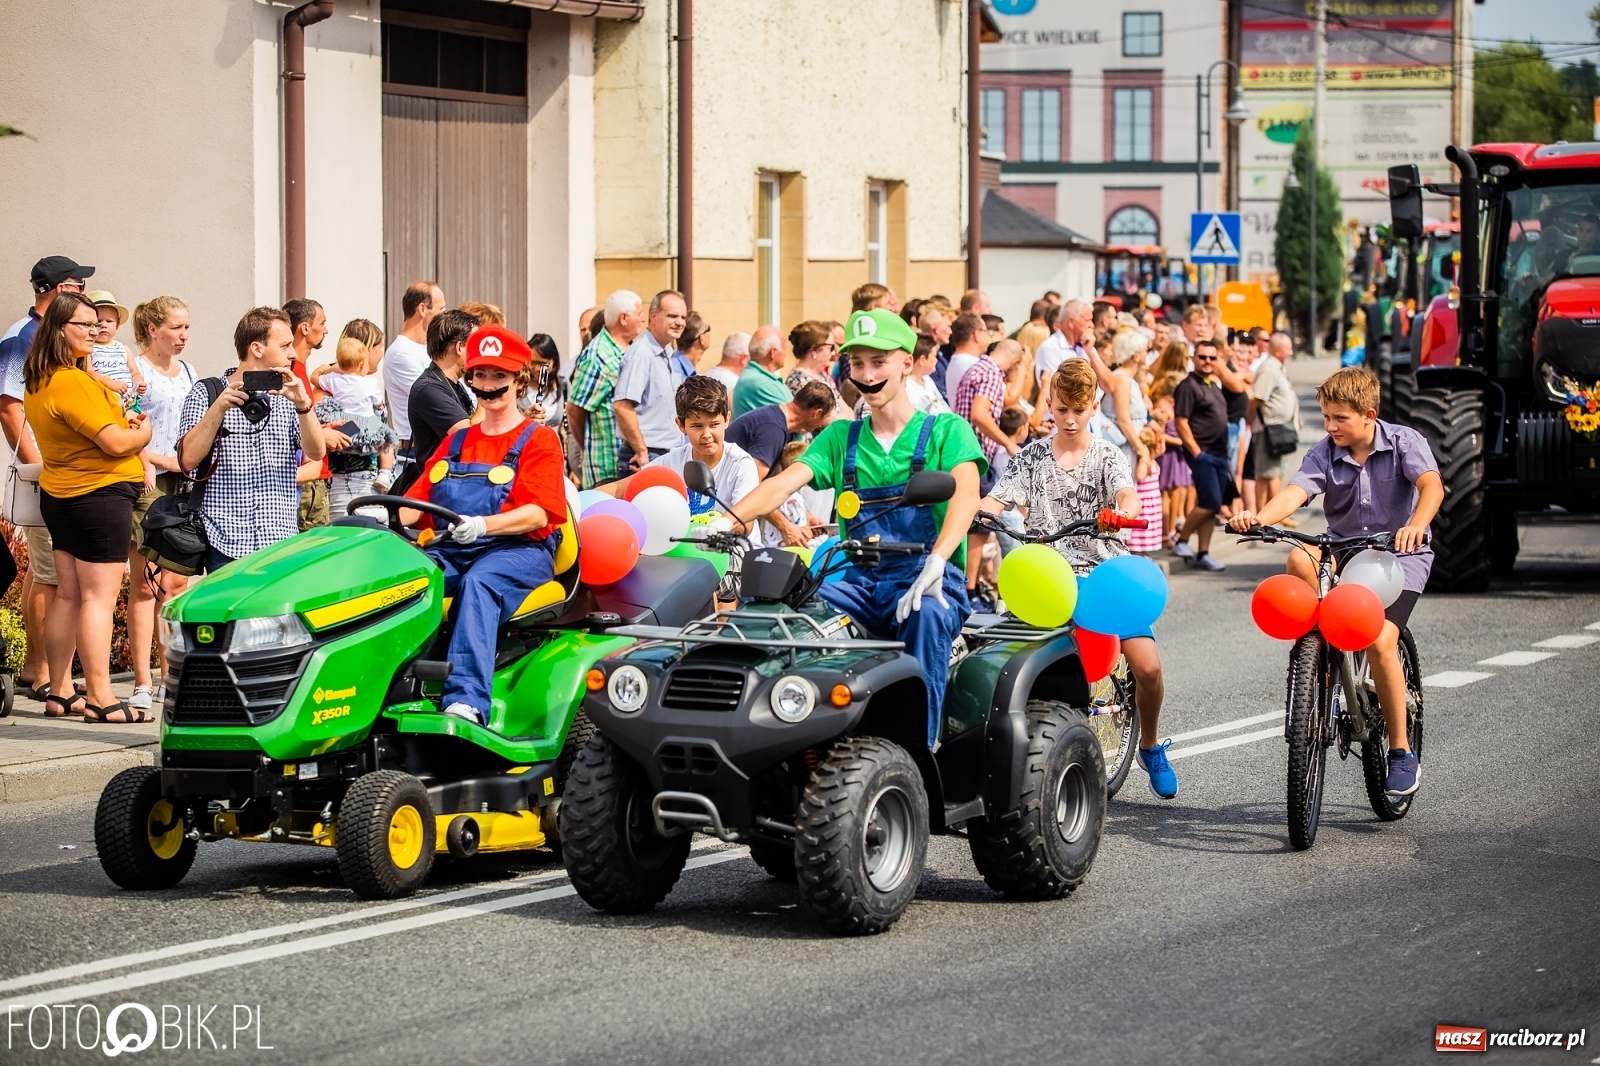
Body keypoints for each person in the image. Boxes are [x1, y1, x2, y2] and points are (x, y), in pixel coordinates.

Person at [726, 308, 985, 746]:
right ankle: (804, 743)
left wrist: (939, 558)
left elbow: (967, 494)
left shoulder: (946, 430)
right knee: (796, 619)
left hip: (929, 574)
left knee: (926, 614)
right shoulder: (840, 437)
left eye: (878, 362)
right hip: (857, 579)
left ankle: (920, 754)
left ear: (906, 362)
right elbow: (783, 483)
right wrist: (728, 520)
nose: (866, 374)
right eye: (857, 363)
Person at [1229, 367, 1443, 796]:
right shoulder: (1325, 452)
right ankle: (1315, 655)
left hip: (1397, 555)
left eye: (1339, 419)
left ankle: (1401, 751)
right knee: (1296, 556)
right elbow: (1296, 493)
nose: (1330, 427)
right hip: (1344, 550)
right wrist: (1258, 518)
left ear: (1368, 414)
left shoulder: (1404, 442)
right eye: (1326, 417)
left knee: (1381, 640)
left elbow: (1431, 486)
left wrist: (1415, 525)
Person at [979, 359, 1177, 796]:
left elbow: (1126, 492)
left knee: (1148, 667)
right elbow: (999, 497)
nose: (1069, 419)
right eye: (1062, 409)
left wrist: (1123, 512)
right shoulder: (1030, 457)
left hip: (1104, 572)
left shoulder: (1107, 454)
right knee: (1007, 664)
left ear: (1095, 406)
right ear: (1048, 404)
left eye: (1079, 409)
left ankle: (1148, 744)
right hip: (1047, 578)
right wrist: (982, 511)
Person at [401, 326, 567, 727]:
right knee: (405, 580)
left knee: (480, 582)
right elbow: (414, 507)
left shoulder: (539, 439)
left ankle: (467, 702)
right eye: (480, 376)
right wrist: (374, 519)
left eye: (499, 376)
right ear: (470, 378)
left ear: (518, 379)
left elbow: (539, 514)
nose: (489, 386)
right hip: (455, 548)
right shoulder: (456, 443)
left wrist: (483, 524)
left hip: (521, 551)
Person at [23, 293, 153, 723]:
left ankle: (60, 691)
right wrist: (143, 432)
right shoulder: (71, 381)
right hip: (97, 493)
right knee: (98, 597)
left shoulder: (41, 379)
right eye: (84, 325)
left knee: (70, 594)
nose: (95, 332)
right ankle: (100, 696)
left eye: (97, 324)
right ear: (60, 331)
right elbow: (115, 442)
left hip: (62, 494)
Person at [2, 256, 94, 699]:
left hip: (62, 468)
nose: (83, 293)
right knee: (51, 574)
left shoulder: (53, 336)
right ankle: (42, 674)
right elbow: (8, 406)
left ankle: (37, 668)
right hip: (49, 470)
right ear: (57, 290)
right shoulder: (23, 336)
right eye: (77, 285)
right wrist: (39, 465)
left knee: (46, 573)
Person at [177, 307, 324, 572]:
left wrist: (303, 405)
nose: (292, 353)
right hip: (225, 540)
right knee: (226, 615)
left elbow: (316, 452)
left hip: (280, 540)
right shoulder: (208, 392)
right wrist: (218, 409)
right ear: (256, 348)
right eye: (285, 345)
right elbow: (187, 460)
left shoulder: (288, 396)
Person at [128, 296, 197, 710]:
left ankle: (169, 675)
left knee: (174, 583)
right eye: (176, 327)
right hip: (150, 476)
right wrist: (152, 460)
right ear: (153, 329)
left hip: (184, 479)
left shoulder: (188, 370)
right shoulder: (137, 369)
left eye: (187, 327)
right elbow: (130, 423)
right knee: (144, 582)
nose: (184, 335)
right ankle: (140, 680)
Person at [607, 376, 759, 518]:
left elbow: (744, 523)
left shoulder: (740, 464)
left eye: (714, 424)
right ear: (681, 425)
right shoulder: (673, 461)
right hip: (684, 546)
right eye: (697, 426)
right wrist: (584, 500)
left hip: (736, 547)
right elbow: (617, 489)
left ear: (727, 419)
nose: (706, 434)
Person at [953, 334, 1020, 596]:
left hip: (963, 453)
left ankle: (967, 584)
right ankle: (969, 588)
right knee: (980, 524)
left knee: (969, 521)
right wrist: (1008, 442)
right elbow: (980, 414)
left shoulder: (976, 367)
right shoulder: (992, 373)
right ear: (1014, 361)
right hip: (977, 456)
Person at [393, 309, 478, 496]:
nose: (481, 352)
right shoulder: (429, 389)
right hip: (441, 494)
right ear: (459, 347)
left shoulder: (454, 384)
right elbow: (468, 436)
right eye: (476, 344)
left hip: (455, 488)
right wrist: (486, 394)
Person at [316, 335, 399, 517]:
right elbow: (379, 406)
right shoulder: (370, 384)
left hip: (347, 427)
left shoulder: (332, 381)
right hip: (366, 432)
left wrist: (329, 368)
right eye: (379, 348)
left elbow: (316, 378)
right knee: (388, 438)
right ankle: (385, 474)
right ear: (364, 360)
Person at [567, 289, 643, 487]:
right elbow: (574, 410)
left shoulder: (632, 349)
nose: (643, 319)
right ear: (624, 318)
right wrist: (587, 448)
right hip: (606, 466)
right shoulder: (598, 355)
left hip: (630, 462)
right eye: (639, 313)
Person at [613, 289, 692, 472]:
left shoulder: (667, 353)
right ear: (653, 316)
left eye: (683, 317)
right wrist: (642, 452)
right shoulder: (641, 353)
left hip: (665, 453)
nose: (679, 322)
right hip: (646, 455)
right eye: (672, 316)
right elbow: (622, 406)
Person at [1171, 339, 1231, 572]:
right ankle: (1182, 540)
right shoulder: (1188, 385)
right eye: (1203, 357)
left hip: (1219, 453)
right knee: (1210, 502)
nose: (1207, 361)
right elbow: (1181, 421)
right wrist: (1196, 452)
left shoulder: (1212, 384)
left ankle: (1204, 553)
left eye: (1212, 358)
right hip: (1203, 453)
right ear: (1193, 358)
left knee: (1213, 506)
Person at [285, 298, 344, 530]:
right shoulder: (289, 373)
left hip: (314, 476)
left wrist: (323, 431)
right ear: (305, 328)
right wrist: (321, 435)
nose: (326, 329)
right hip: (305, 482)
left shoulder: (301, 369)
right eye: (323, 322)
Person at [382, 280, 445, 449]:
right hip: (417, 451)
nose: (444, 316)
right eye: (441, 310)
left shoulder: (427, 349)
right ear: (423, 309)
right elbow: (436, 397)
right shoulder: (401, 353)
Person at [1249, 331, 1299, 517]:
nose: (1291, 352)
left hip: (1280, 429)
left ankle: (1275, 516)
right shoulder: (1269, 368)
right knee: (1265, 474)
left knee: (1276, 472)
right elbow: (1257, 398)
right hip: (1268, 429)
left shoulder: (1277, 366)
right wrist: (1250, 419)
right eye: (1288, 349)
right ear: (1278, 351)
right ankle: (1263, 516)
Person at [84, 291, 147, 401]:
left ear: (117, 325)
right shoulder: (89, 348)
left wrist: (139, 382)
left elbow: (134, 372)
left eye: (109, 321)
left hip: (129, 400)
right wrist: (110, 384)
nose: (104, 325)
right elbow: (89, 372)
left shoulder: (124, 349)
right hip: (105, 399)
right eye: (98, 321)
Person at [731, 325, 791, 418]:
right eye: (784, 348)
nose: (786, 354)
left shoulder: (758, 377)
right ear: (773, 352)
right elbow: (795, 418)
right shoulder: (761, 383)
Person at [941, 313, 989, 406]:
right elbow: (1007, 397)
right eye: (985, 331)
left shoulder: (956, 362)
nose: (987, 337)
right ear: (977, 334)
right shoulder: (975, 366)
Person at [522, 333, 563, 429]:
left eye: (542, 364)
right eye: (533, 363)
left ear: (554, 362)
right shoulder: (519, 387)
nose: (537, 368)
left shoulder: (563, 386)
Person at [905, 333, 952, 416]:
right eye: (934, 356)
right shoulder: (906, 386)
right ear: (922, 360)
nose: (936, 360)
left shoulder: (927, 379)